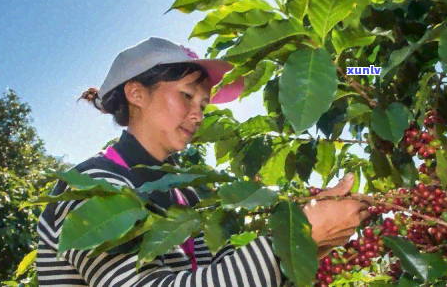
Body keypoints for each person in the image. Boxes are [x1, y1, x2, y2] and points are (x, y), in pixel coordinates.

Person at [35, 37, 372, 287]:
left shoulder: (188, 196)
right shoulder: (93, 186)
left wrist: (309, 240)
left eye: (203, 104)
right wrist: (297, 240)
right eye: (186, 95)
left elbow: (224, 274)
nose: (197, 115)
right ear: (136, 93)